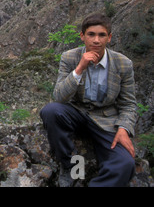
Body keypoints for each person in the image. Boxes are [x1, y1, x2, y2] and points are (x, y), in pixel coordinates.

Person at [40, 13, 137, 187]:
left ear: (109, 37)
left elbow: (128, 103)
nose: (96, 40)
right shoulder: (70, 57)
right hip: (76, 112)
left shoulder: (123, 64)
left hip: (106, 120)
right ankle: (70, 167)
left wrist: (124, 128)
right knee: (51, 111)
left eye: (102, 35)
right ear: (82, 36)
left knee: (126, 163)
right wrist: (79, 69)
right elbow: (59, 96)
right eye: (91, 34)